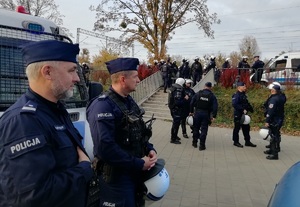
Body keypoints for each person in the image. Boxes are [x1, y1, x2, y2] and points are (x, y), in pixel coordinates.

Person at [0, 40, 93, 207]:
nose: (77, 78)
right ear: (48, 72)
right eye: (72, 70)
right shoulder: (23, 121)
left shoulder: (55, 110)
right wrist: (84, 169)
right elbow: (35, 196)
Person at [86, 58, 158, 206]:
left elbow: (140, 131)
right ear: (122, 79)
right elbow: (105, 148)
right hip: (116, 180)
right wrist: (138, 163)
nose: (139, 80)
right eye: (135, 76)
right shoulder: (103, 106)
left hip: (134, 174)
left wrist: (150, 149)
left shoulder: (129, 102)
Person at [190, 82, 218, 150]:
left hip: (197, 113)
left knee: (196, 128)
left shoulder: (198, 93)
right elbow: (215, 107)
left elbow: (191, 103)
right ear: (210, 87)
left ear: (204, 86)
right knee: (204, 130)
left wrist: (191, 112)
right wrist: (213, 116)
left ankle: (194, 143)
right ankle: (202, 145)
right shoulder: (212, 96)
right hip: (206, 114)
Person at [263, 83, 286, 160]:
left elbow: (270, 111)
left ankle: (274, 154)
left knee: (273, 136)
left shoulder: (273, 99)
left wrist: (267, 120)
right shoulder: (281, 97)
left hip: (274, 119)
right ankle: (273, 150)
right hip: (279, 118)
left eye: (271, 90)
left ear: (273, 91)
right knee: (276, 134)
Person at [232, 82, 257, 148]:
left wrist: (251, 109)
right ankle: (235, 142)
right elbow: (235, 104)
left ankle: (247, 141)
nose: (245, 88)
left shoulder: (243, 94)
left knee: (246, 128)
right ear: (239, 87)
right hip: (238, 114)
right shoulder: (236, 95)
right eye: (244, 86)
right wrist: (242, 109)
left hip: (244, 115)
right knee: (237, 128)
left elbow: (246, 103)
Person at [168, 77, 189, 144]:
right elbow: (178, 101)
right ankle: (173, 139)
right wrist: (185, 99)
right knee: (176, 124)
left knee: (175, 123)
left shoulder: (172, 87)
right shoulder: (178, 89)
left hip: (173, 108)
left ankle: (174, 136)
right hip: (177, 109)